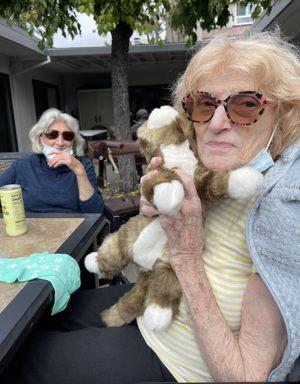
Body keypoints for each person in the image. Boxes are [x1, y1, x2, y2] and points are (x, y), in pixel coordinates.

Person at [2, 31, 300, 384]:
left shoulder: (280, 207)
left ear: (282, 112)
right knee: (47, 311)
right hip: (153, 310)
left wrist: (185, 255)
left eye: (246, 105)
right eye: (205, 104)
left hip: (174, 363)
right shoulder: (221, 169)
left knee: (18, 357)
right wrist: (156, 205)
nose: (218, 123)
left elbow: (245, 376)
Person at [0, 108, 104, 214]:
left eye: (67, 136)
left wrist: (80, 172)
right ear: (40, 138)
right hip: (32, 228)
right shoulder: (23, 165)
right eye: (52, 135)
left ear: (74, 141)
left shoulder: (83, 165)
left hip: (74, 227)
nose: (60, 143)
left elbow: (96, 212)